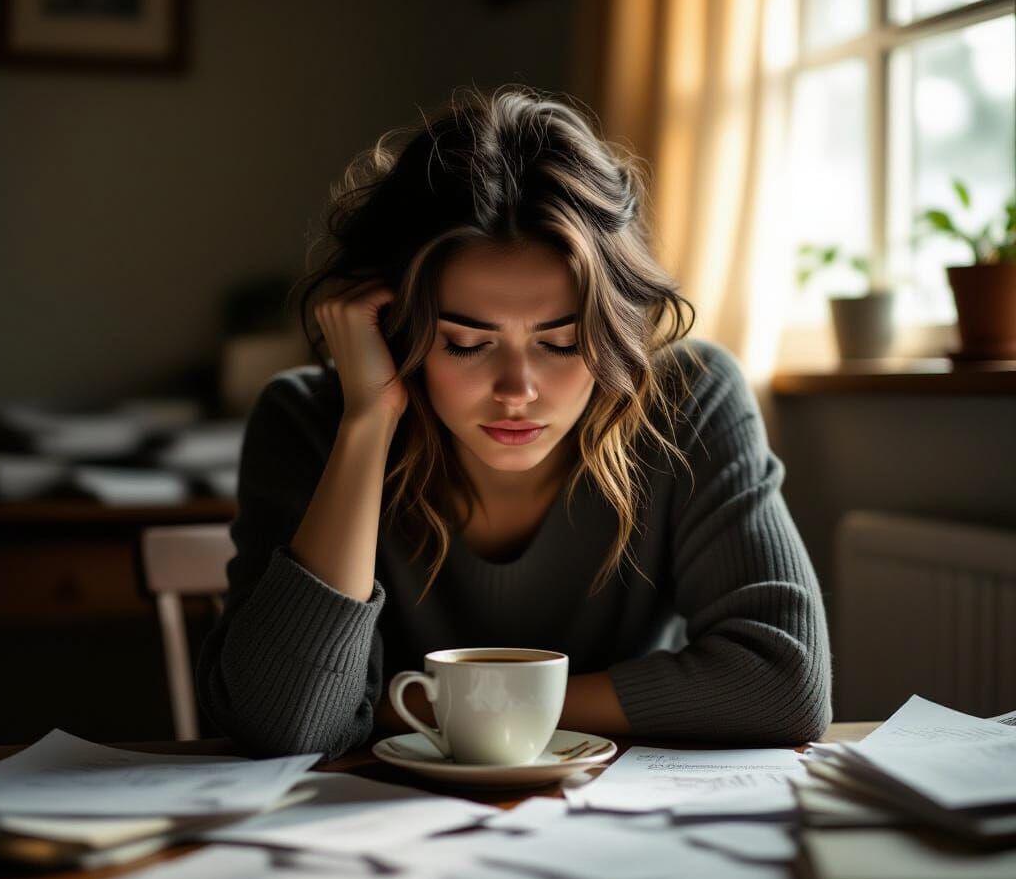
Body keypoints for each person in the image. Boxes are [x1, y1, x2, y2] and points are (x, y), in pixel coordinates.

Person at [196, 84, 831, 760]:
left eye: (561, 343)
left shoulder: (690, 401)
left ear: (616, 330)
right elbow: (283, 726)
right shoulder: (308, 421)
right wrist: (367, 421)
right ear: (397, 327)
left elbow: (785, 684)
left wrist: (446, 709)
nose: (517, 391)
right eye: (466, 344)